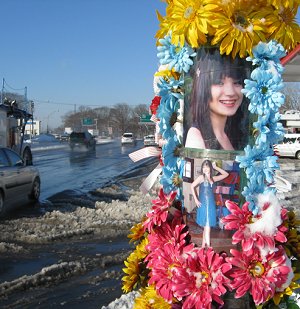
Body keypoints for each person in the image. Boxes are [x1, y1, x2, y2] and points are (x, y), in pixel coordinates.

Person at [184, 48, 251, 150]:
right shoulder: (196, 137)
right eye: (219, 83)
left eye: (237, 82)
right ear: (203, 87)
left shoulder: (234, 134)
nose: (230, 92)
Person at [191, 160, 229, 248]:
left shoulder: (213, 178)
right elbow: (192, 186)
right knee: (207, 226)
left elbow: (226, 174)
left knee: (207, 226)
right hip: (203, 204)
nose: (205, 169)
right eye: (203, 167)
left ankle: (203, 246)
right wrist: (196, 200)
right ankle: (208, 247)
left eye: (207, 166)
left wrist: (216, 167)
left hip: (211, 204)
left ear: (210, 168)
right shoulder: (201, 177)